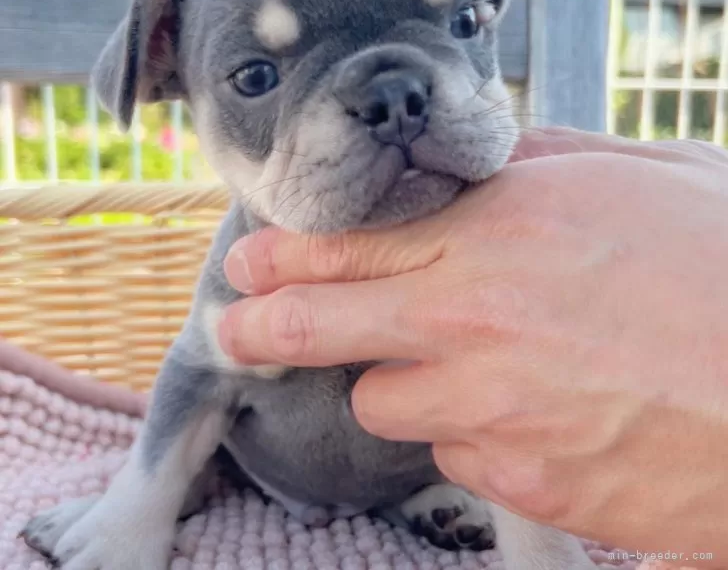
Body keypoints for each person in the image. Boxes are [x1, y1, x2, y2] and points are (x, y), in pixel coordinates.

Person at [217, 127, 728, 568]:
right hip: (265, 477)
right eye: (259, 77)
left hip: (413, 480)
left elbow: (510, 409)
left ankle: (415, 500)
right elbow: (193, 390)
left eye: (463, 23)